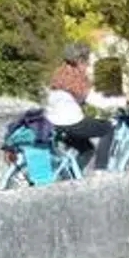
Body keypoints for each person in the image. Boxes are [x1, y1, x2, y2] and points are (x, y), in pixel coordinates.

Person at [45, 41, 114, 171]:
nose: (88, 65)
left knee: (87, 150)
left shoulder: (60, 72)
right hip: (70, 123)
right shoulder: (75, 77)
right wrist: (120, 101)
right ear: (79, 61)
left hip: (54, 123)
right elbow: (96, 100)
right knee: (107, 128)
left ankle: (70, 179)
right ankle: (101, 171)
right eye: (86, 61)